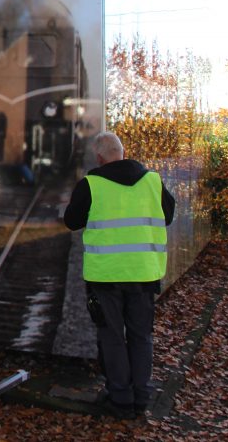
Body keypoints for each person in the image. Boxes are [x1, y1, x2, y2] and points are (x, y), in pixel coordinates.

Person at [63, 131, 175, 419]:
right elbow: (169, 214)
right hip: (144, 273)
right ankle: (142, 395)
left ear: (99, 158)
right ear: (123, 153)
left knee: (112, 337)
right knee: (141, 336)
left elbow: (71, 221)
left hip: (106, 277)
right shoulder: (153, 180)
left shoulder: (91, 184)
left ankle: (120, 399)